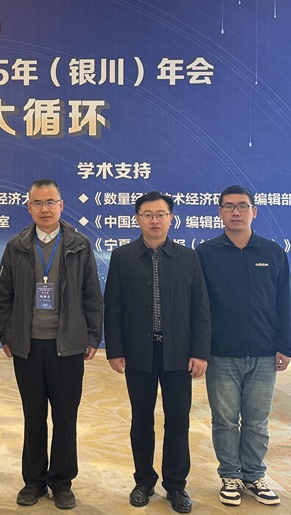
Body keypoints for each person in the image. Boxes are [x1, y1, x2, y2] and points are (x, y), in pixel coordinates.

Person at [0, 179, 104, 510]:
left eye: (50, 202)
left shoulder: (80, 245)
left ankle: (62, 483)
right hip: (28, 347)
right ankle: (34, 482)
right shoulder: (16, 246)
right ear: (29, 208)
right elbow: (3, 296)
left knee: (65, 417)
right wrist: (7, 335)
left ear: (61, 205)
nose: (45, 209)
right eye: (38, 203)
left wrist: (92, 336)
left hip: (67, 346)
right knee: (34, 416)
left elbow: (92, 295)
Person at [102, 191, 210, 514]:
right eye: (147, 214)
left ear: (171, 219)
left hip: (178, 354)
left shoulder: (188, 258)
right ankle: (144, 481)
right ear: (137, 219)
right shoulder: (122, 257)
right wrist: (115, 349)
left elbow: (200, 308)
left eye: (161, 214)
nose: (154, 220)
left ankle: (176, 485)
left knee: (178, 421)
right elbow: (113, 307)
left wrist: (200, 352)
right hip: (138, 353)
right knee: (141, 419)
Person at [196, 185, 291, 508]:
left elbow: (287, 302)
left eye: (242, 206)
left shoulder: (272, 252)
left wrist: (287, 346)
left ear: (254, 211)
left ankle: (254, 476)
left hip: (265, 354)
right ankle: (230, 475)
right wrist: (199, 350)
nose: (236, 212)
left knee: (257, 422)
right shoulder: (205, 253)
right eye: (228, 206)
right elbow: (198, 306)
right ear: (219, 213)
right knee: (225, 420)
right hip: (221, 353)